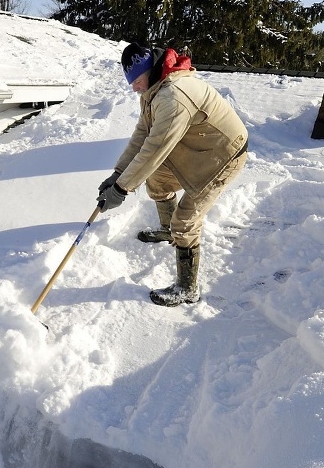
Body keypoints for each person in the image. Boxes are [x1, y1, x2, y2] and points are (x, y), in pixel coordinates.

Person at [97, 43, 249, 307]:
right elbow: (142, 135)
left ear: (150, 71)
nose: (133, 87)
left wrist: (120, 190)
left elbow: (154, 150)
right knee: (157, 182)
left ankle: (187, 287)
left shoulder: (173, 97)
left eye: (136, 80)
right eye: (131, 81)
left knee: (186, 220)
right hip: (197, 147)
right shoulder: (154, 90)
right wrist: (118, 173)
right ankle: (168, 231)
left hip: (223, 155)